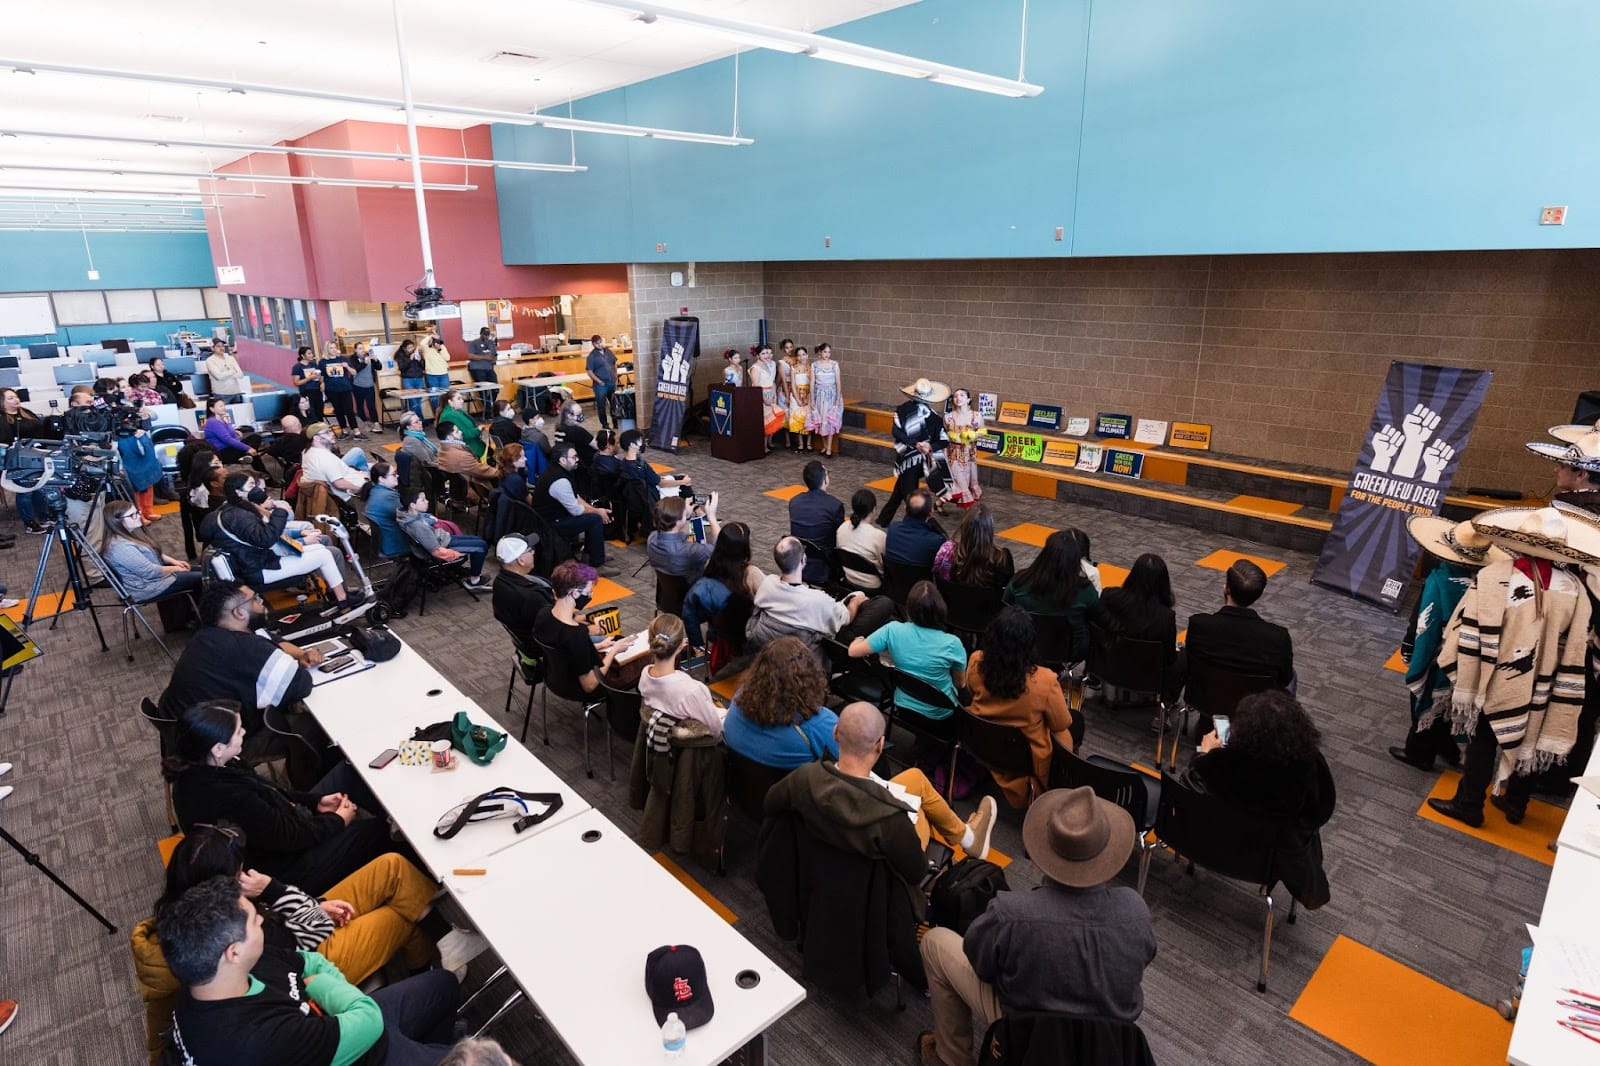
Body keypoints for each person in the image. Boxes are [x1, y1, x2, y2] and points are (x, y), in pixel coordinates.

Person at [131, 824, 444, 1056]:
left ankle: (440, 950)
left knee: (392, 868)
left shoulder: (199, 924)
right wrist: (275, 892)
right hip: (309, 945)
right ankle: (433, 957)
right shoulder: (227, 939)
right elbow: (303, 946)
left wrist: (314, 905)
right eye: (238, 875)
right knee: (399, 920)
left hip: (303, 937)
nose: (246, 877)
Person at [916, 785, 1155, 1066]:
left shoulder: (1011, 912)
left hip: (1027, 1035)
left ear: (1046, 847)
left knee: (935, 942)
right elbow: (1143, 957)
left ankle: (952, 1057)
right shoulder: (1135, 909)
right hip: (1111, 1045)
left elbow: (981, 963)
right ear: (1106, 852)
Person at [154, 876, 458, 1065]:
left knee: (444, 985)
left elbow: (310, 961)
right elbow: (368, 1021)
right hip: (362, 1045)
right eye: (252, 919)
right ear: (232, 952)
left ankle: (429, 1049)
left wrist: (336, 998)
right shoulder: (257, 1041)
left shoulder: (210, 976)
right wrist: (326, 989)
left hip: (340, 1025)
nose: (261, 919)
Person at [1427, 504, 1597, 827]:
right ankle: (1516, 803)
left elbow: (1465, 630)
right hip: (1543, 681)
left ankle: (1469, 803)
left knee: (1484, 738)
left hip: (1496, 678)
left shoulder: (1493, 577)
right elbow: (1578, 645)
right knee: (1530, 736)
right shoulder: (1574, 590)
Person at [164, 700, 414, 894]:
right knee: (376, 831)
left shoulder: (209, 765)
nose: (245, 732)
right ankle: (411, 870)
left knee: (349, 773)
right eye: (238, 731)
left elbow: (272, 791)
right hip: (288, 869)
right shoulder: (227, 796)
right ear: (217, 748)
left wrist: (316, 801)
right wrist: (338, 821)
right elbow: (290, 836)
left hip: (289, 821)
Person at [764, 701, 996, 890]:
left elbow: (770, 804)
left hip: (822, 861)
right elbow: (915, 872)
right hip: (878, 878)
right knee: (921, 810)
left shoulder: (804, 777)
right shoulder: (892, 818)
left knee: (915, 777)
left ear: (836, 733)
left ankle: (968, 838)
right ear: (880, 745)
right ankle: (954, 858)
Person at [1188, 689, 1335, 908]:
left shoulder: (1223, 764)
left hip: (1214, 846)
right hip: (1268, 860)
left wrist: (1205, 752)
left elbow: (1195, 774)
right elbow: (1321, 811)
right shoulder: (1310, 767)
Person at [1390, 518, 1504, 771]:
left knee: (1427, 699)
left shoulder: (1440, 579)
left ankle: (1419, 753)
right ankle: (1450, 748)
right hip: (1470, 653)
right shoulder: (1487, 580)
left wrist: (1411, 649)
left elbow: (1423, 621)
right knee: (1451, 698)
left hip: (1438, 652)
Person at [156, 581, 320, 753]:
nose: (262, 602)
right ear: (239, 612)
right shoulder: (244, 648)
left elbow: (269, 639)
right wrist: (292, 663)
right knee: (315, 729)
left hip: (188, 736)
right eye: (255, 599)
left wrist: (301, 654)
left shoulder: (207, 636)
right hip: (220, 748)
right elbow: (301, 684)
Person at [967, 608, 1075, 807]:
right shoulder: (1045, 681)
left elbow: (971, 692)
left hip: (983, 744)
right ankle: (1060, 789)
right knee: (1070, 729)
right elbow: (1062, 723)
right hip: (1025, 760)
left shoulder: (975, 661)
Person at [200, 471, 359, 606]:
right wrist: (280, 512)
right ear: (237, 492)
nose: (256, 490)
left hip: (255, 563)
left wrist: (297, 535)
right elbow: (266, 539)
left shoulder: (233, 511)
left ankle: (337, 594)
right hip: (260, 570)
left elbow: (263, 536)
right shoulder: (240, 516)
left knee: (321, 548)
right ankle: (342, 599)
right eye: (250, 486)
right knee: (325, 554)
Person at [746, 536, 896, 650]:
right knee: (883, 604)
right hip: (814, 646)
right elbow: (847, 618)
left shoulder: (768, 583)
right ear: (803, 560)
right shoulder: (817, 600)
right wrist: (856, 599)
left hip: (774, 640)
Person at [851, 580, 967, 721]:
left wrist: (859, 639)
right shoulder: (953, 643)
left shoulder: (892, 630)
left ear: (909, 608)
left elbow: (853, 651)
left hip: (903, 707)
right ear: (941, 609)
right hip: (941, 713)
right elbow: (960, 684)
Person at [723, 637, 841, 769]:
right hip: (798, 789)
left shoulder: (739, 700)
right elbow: (848, 764)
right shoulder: (823, 725)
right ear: (810, 676)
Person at [1185, 558, 1295, 690]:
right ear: (1258, 594)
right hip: (1255, 706)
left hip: (1206, 698)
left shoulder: (1198, 624)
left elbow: (1190, 664)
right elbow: (1284, 678)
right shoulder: (1278, 637)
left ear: (1226, 589)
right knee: (1292, 676)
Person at [1093, 551, 1181, 697]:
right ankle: (1169, 701)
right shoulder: (1165, 617)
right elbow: (1169, 658)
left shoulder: (1109, 596)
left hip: (1107, 666)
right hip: (1148, 677)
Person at [1004, 529, 1099, 662]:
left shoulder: (1020, 581)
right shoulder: (1086, 590)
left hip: (1025, 644)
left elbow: (1005, 605)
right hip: (1071, 651)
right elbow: (1096, 618)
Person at [532, 561, 621, 694]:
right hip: (574, 688)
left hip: (553, 677)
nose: (590, 595)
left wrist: (598, 646)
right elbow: (589, 685)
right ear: (574, 593)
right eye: (588, 592)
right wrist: (614, 650)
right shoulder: (576, 635)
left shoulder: (543, 613)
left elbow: (563, 652)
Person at [531, 442, 616, 575]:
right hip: (550, 526)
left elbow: (575, 497)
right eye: (574, 457)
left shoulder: (556, 470)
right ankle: (597, 563)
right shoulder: (560, 481)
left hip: (552, 517)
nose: (577, 460)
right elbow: (576, 510)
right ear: (562, 460)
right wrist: (597, 512)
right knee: (594, 520)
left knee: (593, 517)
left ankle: (592, 553)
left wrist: (593, 508)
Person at [636, 614, 724, 738]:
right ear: (682, 645)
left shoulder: (645, 674)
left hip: (663, 738)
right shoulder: (692, 691)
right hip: (693, 749)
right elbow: (716, 729)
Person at [877, 378, 951, 526]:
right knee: (908, 493)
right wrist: (925, 446)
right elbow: (944, 440)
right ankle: (904, 521)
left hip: (909, 460)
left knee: (905, 491)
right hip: (917, 461)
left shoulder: (903, 410)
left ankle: (888, 519)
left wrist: (924, 446)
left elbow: (897, 432)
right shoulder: (934, 417)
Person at [100, 500, 201, 602]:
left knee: (206, 570)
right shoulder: (121, 548)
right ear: (118, 521)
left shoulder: (129, 532)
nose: (138, 516)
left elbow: (152, 551)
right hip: (146, 588)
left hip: (154, 578)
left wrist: (174, 561)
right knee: (205, 578)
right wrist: (176, 568)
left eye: (137, 512)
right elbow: (151, 572)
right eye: (133, 515)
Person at [682, 521, 763, 650]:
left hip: (718, 633)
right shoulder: (752, 574)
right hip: (746, 636)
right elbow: (768, 605)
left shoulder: (710, 565)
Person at [397, 487, 490, 589]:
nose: (427, 501)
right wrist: (456, 555)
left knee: (480, 542)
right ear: (412, 505)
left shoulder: (407, 515)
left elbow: (423, 520)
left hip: (443, 539)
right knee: (481, 547)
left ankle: (475, 572)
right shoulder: (418, 526)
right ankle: (474, 581)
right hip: (444, 546)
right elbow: (436, 550)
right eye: (423, 500)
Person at [788, 460, 845, 585]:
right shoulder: (835, 505)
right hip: (825, 566)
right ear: (825, 479)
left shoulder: (794, 502)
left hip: (797, 561)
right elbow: (839, 538)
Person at [490, 535, 551, 648]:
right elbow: (558, 629)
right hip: (543, 649)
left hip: (527, 641)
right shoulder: (532, 597)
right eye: (530, 550)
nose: (533, 553)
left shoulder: (500, 581)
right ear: (521, 560)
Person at [933, 504, 1012, 589]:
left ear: (964, 528)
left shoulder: (949, 555)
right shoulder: (1002, 557)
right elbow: (1007, 590)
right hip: (989, 601)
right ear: (990, 530)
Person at [0, 388, 47, 533]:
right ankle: (29, 523)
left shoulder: (26, 413)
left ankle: (43, 516)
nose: (16, 400)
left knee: (39, 486)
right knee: (25, 491)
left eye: (15, 397)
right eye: (10, 398)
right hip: (17, 459)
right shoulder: (2, 419)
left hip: (36, 455)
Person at [647, 494, 721, 582]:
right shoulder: (689, 550)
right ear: (678, 522)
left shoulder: (652, 538)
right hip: (694, 589)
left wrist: (687, 517)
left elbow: (685, 537)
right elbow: (720, 546)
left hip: (670, 590)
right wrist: (712, 517)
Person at [300, 422, 369, 502]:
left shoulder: (307, 451)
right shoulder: (325, 458)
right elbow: (339, 484)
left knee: (370, 466)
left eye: (330, 430)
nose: (332, 434)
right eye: (327, 432)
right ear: (317, 438)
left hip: (346, 480)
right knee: (380, 474)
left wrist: (356, 473)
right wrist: (362, 489)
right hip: (349, 495)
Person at [834, 488, 887, 591]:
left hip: (849, 578)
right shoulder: (878, 536)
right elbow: (885, 565)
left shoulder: (842, 528)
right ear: (874, 509)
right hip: (872, 585)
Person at [884, 489, 947, 568]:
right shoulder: (935, 541)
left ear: (905, 509)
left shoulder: (893, 529)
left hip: (894, 579)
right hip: (925, 579)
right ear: (931, 512)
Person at [944, 387, 984, 507]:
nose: (958, 398)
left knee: (967, 482)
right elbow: (945, 433)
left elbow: (981, 432)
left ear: (968, 399)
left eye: (962, 395)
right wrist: (952, 436)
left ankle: (938, 504)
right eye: (956, 396)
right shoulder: (948, 417)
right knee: (960, 482)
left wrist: (970, 436)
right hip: (953, 454)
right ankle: (970, 516)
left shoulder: (976, 416)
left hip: (969, 454)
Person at [118, 424, 166, 524]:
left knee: (148, 481)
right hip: (123, 446)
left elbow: (152, 416)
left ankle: (148, 511)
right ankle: (138, 514)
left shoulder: (135, 414)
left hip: (138, 439)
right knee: (134, 486)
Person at [364, 462, 410, 559]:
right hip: (396, 544)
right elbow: (407, 518)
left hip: (384, 543)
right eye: (393, 474)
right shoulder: (388, 496)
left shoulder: (374, 491)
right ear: (381, 479)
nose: (397, 476)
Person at [806, 342, 843, 457]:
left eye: (829, 352)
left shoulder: (834, 364)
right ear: (820, 352)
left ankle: (829, 448)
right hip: (819, 395)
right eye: (825, 352)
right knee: (821, 420)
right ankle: (825, 445)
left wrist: (837, 399)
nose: (827, 354)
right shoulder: (815, 365)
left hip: (831, 395)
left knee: (830, 420)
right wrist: (812, 399)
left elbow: (838, 382)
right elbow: (812, 382)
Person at [436, 420, 497, 486]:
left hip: (459, 485)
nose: (461, 432)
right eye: (457, 431)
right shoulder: (460, 456)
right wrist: (502, 472)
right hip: (474, 485)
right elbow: (483, 471)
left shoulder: (441, 450)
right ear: (449, 438)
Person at [748, 344, 785, 452]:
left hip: (771, 392)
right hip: (761, 395)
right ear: (758, 355)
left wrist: (774, 395)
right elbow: (756, 386)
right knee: (765, 422)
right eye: (763, 353)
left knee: (773, 419)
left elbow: (773, 381)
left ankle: (769, 442)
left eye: (768, 353)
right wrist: (764, 399)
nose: (766, 355)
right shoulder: (755, 367)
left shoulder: (773, 364)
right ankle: (763, 446)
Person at [319, 340, 360, 438]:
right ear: (327, 349)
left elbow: (354, 372)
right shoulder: (323, 362)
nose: (333, 350)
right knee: (338, 410)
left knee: (349, 410)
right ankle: (344, 430)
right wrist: (321, 383)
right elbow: (321, 376)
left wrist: (347, 367)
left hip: (345, 388)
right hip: (331, 389)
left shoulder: (343, 358)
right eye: (331, 348)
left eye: (334, 347)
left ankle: (356, 431)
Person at [203, 397, 257, 464]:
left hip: (229, 447)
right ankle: (245, 457)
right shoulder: (212, 422)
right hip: (223, 452)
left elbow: (229, 434)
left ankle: (247, 457)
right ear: (212, 409)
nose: (224, 408)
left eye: (223, 405)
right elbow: (227, 439)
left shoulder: (221, 419)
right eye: (220, 406)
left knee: (252, 436)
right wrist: (247, 448)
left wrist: (234, 431)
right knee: (254, 441)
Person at [437, 390, 486, 461]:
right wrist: (478, 429)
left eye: (462, 398)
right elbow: (464, 434)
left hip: (471, 443)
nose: (462, 401)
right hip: (468, 448)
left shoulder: (457, 411)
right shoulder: (450, 415)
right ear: (450, 402)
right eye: (458, 399)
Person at [585, 334, 618, 429]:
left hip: (611, 382)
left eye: (600, 342)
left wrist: (615, 375)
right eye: (597, 343)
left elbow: (614, 363)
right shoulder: (592, 356)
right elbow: (589, 371)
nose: (599, 345)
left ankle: (615, 422)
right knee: (601, 405)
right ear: (593, 344)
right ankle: (605, 424)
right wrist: (598, 381)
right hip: (600, 385)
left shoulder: (608, 351)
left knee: (614, 404)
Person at [348, 340, 381, 434]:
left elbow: (379, 367)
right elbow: (355, 370)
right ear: (355, 350)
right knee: (360, 406)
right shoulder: (352, 359)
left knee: (371, 405)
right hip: (358, 386)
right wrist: (364, 363)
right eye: (360, 348)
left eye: (363, 348)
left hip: (369, 385)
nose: (362, 350)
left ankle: (376, 424)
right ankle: (365, 422)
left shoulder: (368, 356)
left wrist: (376, 360)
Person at [398, 410, 438, 488]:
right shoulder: (412, 440)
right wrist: (444, 464)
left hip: (434, 465)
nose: (420, 422)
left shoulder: (420, 436)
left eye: (419, 420)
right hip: (429, 471)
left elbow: (433, 453)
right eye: (416, 422)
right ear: (408, 427)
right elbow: (427, 463)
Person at [554, 399, 595, 466]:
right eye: (578, 414)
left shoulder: (559, 427)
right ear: (569, 416)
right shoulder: (577, 431)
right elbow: (597, 445)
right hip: (584, 462)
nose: (581, 415)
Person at [786, 346, 812, 451]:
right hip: (796, 394)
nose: (801, 357)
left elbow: (812, 384)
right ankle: (800, 443)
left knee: (808, 418)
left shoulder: (810, 368)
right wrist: (797, 399)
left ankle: (809, 442)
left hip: (808, 394)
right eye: (799, 355)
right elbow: (792, 385)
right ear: (796, 357)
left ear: (807, 355)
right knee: (797, 417)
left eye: (803, 354)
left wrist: (808, 398)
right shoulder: (793, 368)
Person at [395, 338, 427, 419]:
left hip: (419, 378)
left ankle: (417, 420)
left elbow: (423, 367)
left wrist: (421, 359)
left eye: (412, 347)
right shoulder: (400, 356)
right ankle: (419, 420)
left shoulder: (416, 353)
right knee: (413, 402)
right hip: (408, 379)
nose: (411, 349)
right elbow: (402, 368)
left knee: (418, 401)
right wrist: (410, 359)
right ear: (404, 348)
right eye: (409, 348)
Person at [290, 347, 322, 422]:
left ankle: (320, 427)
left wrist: (322, 382)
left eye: (311, 353)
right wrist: (309, 378)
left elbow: (320, 377)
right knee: (311, 412)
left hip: (317, 390)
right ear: (303, 356)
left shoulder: (314, 364)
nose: (311, 355)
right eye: (309, 353)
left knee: (319, 411)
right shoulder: (297, 367)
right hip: (306, 391)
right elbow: (296, 382)